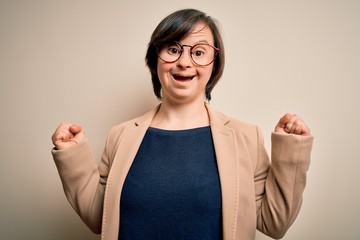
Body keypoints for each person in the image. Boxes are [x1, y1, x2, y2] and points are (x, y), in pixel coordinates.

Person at [51, 8, 313, 240]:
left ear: (214, 64)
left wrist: (291, 152)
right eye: (173, 49)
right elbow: (100, 219)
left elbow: (274, 225)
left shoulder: (245, 137)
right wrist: (72, 156)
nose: (185, 62)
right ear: (156, 59)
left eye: (199, 52)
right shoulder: (120, 136)